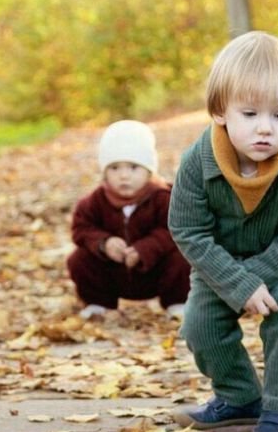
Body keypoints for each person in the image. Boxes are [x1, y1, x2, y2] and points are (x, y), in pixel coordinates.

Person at [168, 31, 278, 432]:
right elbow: (189, 231)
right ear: (221, 111)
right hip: (219, 263)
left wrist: (255, 278)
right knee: (200, 325)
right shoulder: (196, 164)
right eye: (250, 113)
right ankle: (239, 396)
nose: (265, 128)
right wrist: (238, 284)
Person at [67, 120, 190, 318]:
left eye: (133, 168)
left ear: (149, 170)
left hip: (155, 270)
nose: (124, 176)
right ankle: (99, 303)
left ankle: (178, 302)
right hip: (115, 272)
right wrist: (103, 243)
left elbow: (176, 229)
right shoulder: (96, 200)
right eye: (114, 168)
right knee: (79, 259)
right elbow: (81, 228)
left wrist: (146, 248)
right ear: (105, 172)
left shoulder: (163, 197)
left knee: (184, 255)